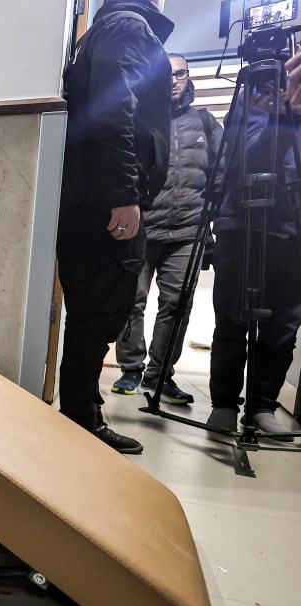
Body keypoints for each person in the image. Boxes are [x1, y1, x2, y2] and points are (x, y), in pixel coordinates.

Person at [58, 0, 174, 455]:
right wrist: (125, 193)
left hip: (89, 196)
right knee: (101, 311)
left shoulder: (100, 31)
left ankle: (81, 414)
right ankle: (81, 420)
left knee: (91, 313)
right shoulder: (127, 26)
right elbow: (115, 109)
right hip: (107, 201)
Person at [111, 55, 222, 404]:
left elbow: (220, 176)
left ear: (188, 78)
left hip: (188, 233)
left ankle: (160, 376)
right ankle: (130, 369)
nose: (174, 80)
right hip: (142, 230)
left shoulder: (205, 122)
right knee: (132, 301)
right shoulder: (140, 121)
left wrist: (212, 221)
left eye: (180, 74)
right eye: (167, 74)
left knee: (177, 305)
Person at [205, 81, 301, 441]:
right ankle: (225, 403)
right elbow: (239, 154)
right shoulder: (257, 88)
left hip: (295, 227)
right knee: (232, 316)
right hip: (242, 221)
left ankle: (263, 405)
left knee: (284, 324)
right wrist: (280, 117)